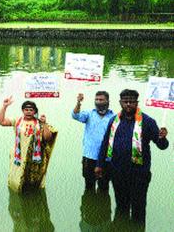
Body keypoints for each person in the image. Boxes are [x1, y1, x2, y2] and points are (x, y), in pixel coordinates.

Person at [95, 89, 169, 226]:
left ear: (137, 103)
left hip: (139, 174)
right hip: (117, 173)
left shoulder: (148, 122)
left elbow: (162, 146)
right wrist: (99, 164)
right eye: (125, 101)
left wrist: (162, 138)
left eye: (132, 102)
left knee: (138, 210)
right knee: (121, 208)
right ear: (120, 102)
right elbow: (105, 143)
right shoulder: (114, 121)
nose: (128, 104)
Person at [0, 96, 57, 192]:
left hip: (34, 157)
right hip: (18, 157)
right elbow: (1, 122)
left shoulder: (39, 123)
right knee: (16, 182)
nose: (28, 112)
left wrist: (44, 124)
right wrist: (4, 106)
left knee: (33, 184)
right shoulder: (17, 120)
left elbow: (48, 138)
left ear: (35, 112)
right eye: (26, 109)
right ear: (22, 110)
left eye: (31, 110)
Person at [72, 91, 114, 191]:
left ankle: (102, 206)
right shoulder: (89, 114)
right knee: (89, 186)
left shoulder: (114, 117)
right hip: (89, 157)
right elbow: (75, 115)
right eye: (96, 99)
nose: (98, 102)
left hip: (107, 158)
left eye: (101, 100)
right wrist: (78, 102)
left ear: (107, 101)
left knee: (104, 187)